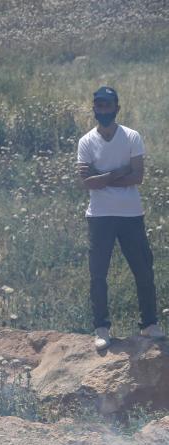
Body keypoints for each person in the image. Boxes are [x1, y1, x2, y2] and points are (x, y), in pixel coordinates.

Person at [76, 86, 163, 351]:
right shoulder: (86, 141)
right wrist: (119, 172)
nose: (103, 110)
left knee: (143, 270)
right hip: (100, 217)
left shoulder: (132, 137)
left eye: (107, 105)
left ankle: (149, 324)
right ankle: (101, 328)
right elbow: (85, 183)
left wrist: (102, 176)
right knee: (98, 274)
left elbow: (138, 177)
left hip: (130, 214)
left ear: (117, 107)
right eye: (98, 105)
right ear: (94, 108)